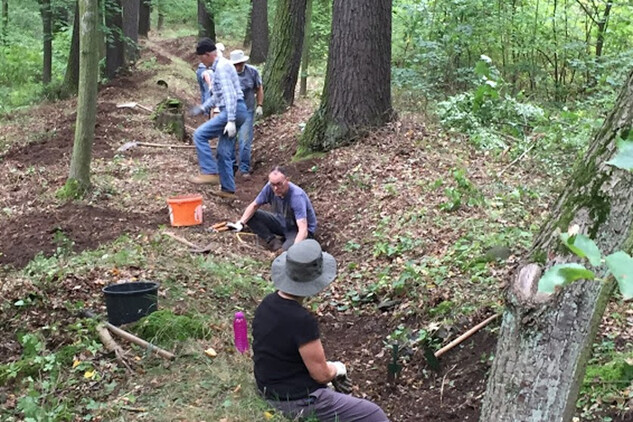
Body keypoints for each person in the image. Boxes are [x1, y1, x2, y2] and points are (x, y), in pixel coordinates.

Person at [252, 240, 390, 422]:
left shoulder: (267, 304)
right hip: (294, 401)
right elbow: (321, 374)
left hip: (269, 389)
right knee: (374, 415)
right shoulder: (301, 320)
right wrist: (337, 369)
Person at [189, 38, 248, 198]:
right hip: (236, 110)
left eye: (201, 58)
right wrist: (203, 107)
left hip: (233, 109)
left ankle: (209, 172)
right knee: (223, 152)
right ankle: (228, 189)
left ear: (208, 55)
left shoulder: (221, 67)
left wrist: (230, 119)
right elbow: (217, 95)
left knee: (199, 135)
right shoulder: (220, 67)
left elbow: (230, 95)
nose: (202, 63)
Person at [225, 166, 316, 252]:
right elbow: (254, 205)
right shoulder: (270, 187)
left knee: (286, 253)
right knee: (251, 215)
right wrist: (240, 223)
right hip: (282, 222)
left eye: (279, 184)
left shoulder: (296, 196)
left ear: (287, 180)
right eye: (273, 184)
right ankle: (272, 241)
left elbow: (303, 230)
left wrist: (294, 250)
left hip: (297, 229)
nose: (276, 188)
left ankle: (286, 246)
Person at [229, 49, 264, 179]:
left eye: (240, 64)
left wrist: (259, 105)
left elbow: (259, 88)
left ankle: (244, 168)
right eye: (235, 64)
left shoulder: (252, 72)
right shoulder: (227, 73)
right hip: (231, 111)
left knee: (244, 140)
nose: (238, 67)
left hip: (248, 111)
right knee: (230, 139)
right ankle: (231, 166)